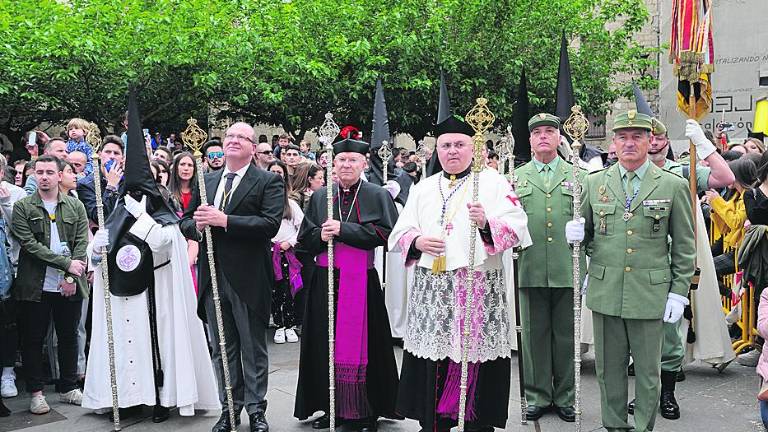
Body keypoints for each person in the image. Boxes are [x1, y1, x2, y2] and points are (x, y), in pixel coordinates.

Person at [388, 116, 530, 432]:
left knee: (475, 359)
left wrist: (486, 224)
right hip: (434, 293)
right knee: (434, 357)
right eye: (446, 145)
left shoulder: (493, 183)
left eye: (459, 145)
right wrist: (418, 240)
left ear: (473, 148)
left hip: (475, 286)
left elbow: (518, 228)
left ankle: (476, 424)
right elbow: (400, 233)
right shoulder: (423, 187)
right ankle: (433, 421)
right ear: (436, 150)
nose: (453, 151)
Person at [83, 95, 219, 422]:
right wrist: (96, 246)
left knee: (155, 348)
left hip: (155, 293)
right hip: (122, 294)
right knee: (128, 349)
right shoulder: (116, 209)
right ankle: (129, 398)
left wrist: (142, 217)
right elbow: (101, 256)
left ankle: (160, 398)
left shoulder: (161, 212)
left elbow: (164, 241)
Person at [565, 110, 696, 432]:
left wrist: (679, 292)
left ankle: (642, 428)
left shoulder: (672, 185)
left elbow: (683, 246)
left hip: (650, 292)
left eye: (637, 136)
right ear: (613, 142)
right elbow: (586, 236)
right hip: (606, 289)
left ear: (650, 141)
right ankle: (614, 426)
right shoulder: (594, 183)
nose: (629, 143)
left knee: (649, 372)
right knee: (609, 369)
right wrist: (577, 240)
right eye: (623, 137)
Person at [180, 122, 283, 432]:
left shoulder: (267, 182)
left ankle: (256, 410)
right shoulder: (206, 179)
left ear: (253, 147)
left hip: (249, 277)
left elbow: (269, 225)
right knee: (222, 347)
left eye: (242, 137)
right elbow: (186, 222)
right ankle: (229, 408)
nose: (235, 140)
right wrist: (197, 227)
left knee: (252, 347)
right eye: (230, 136)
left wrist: (224, 220)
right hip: (213, 276)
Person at [294, 137, 400, 432]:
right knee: (324, 344)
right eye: (341, 160)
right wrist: (322, 237)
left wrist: (344, 229)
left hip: (361, 281)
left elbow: (388, 233)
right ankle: (332, 409)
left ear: (364, 163)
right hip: (326, 280)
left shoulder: (377, 194)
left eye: (353, 160)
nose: (346, 165)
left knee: (366, 344)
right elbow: (305, 240)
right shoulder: (320, 197)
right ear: (332, 164)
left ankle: (365, 411)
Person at [514, 113, 586, 422]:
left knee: (566, 336)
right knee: (534, 336)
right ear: (529, 140)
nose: (543, 136)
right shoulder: (516, 178)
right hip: (530, 267)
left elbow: (593, 220)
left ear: (560, 138)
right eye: (537, 132)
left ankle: (566, 397)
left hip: (566, 267)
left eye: (550, 131)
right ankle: (538, 395)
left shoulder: (580, 175)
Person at [12, 155, 90, 414]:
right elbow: (30, 246)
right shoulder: (23, 207)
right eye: (40, 172)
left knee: (68, 337)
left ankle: (68, 387)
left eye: (49, 172)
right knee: (34, 339)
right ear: (34, 175)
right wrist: (66, 265)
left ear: (59, 176)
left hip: (68, 285)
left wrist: (70, 277)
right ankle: (36, 393)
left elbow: (80, 243)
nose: (44, 176)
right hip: (35, 286)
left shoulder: (75, 206)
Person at [266, 160, 304, 344]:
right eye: (272, 171)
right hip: (268, 252)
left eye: (279, 172)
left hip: (287, 254)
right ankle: (278, 325)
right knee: (274, 291)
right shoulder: (261, 203)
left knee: (289, 290)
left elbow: (303, 227)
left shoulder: (291, 205)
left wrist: (290, 242)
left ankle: (290, 325)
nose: (275, 175)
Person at [0, 154, 27, 406]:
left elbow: (21, 230)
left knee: (8, 325)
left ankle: (8, 373)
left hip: (8, 270)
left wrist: (5, 203)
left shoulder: (15, 195)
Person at [76, 135, 124, 225]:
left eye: (116, 153)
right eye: (108, 152)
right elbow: (100, 219)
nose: (112, 156)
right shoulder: (86, 184)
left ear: (122, 158)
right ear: (99, 155)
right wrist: (111, 187)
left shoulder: (127, 182)